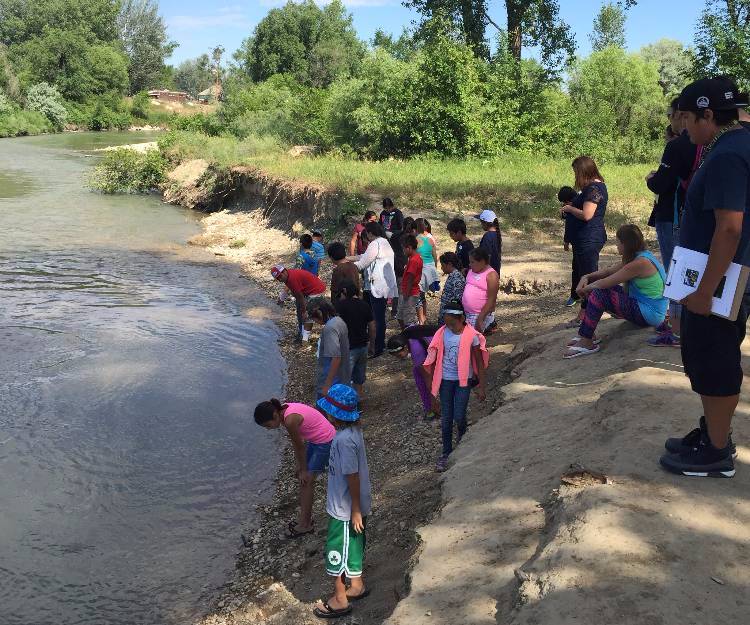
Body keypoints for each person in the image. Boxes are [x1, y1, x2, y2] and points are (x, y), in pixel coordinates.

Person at [660, 77, 750, 479]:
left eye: (688, 118)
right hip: (720, 278)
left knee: (714, 360)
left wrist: (703, 290)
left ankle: (716, 452)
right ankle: (714, 434)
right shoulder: (735, 144)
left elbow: (729, 228)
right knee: (710, 357)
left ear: (708, 115)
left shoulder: (728, 155)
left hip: (718, 283)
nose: (684, 127)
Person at [647, 101, 705, 347]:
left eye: (670, 115)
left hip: (673, 216)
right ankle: (688, 325)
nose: (669, 120)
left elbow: (661, 184)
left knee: (676, 271)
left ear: (682, 116)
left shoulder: (679, 145)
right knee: (691, 269)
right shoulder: (709, 144)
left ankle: (678, 330)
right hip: (696, 216)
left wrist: (651, 178)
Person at [563, 224, 668, 359]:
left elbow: (606, 282)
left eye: (618, 242)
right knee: (595, 287)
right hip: (642, 305)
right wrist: (586, 277)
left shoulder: (640, 263)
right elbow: (608, 271)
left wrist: (585, 289)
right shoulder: (637, 256)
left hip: (650, 314)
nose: (617, 246)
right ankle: (587, 334)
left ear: (626, 244)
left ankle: (587, 342)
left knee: (599, 293)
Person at [313, 384, 371, 620]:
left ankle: (339, 598)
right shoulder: (353, 433)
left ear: (334, 414)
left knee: (337, 549)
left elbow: (352, 475)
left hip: (345, 508)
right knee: (355, 545)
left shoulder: (344, 441)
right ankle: (357, 585)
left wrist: (354, 509)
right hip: (354, 505)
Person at [254, 399, 335, 538]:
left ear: (275, 415)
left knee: (308, 481)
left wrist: (303, 470)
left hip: (325, 440)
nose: (268, 429)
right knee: (303, 481)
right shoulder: (284, 409)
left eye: (268, 425)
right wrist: (299, 465)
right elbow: (297, 444)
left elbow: (300, 446)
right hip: (316, 440)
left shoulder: (290, 420)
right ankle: (305, 519)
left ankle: (305, 526)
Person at [423, 300, 488, 472]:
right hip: (445, 380)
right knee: (446, 419)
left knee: (459, 416)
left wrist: (481, 386)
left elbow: (479, 362)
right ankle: (446, 453)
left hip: (463, 381)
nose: (448, 326)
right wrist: (431, 390)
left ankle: (462, 439)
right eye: (446, 323)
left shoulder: (471, 335)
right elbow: (433, 357)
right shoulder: (442, 333)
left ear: (460, 319)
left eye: (451, 323)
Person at [561, 156, 608, 323]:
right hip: (585, 238)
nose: (575, 176)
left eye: (576, 172)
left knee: (588, 276)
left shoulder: (594, 189)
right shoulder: (592, 187)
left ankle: (589, 314)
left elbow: (587, 215)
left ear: (583, 171)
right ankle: (585, 313)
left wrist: (570, 208)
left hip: (590, 238)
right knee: (584, 274)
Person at [350, 222, 398, 358]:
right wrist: (347, 259)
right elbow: (364, 256)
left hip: (377, 285)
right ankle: (378, 345)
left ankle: (377, 347)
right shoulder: (384, 242)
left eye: (367, 234)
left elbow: (362, 263)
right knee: (379, 316)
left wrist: (346, 267)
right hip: (384, 284)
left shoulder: (375, 243)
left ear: (370, 233)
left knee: (376, 318)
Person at [387, 325, 441, 421]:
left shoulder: (416, 350)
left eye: (399, 355)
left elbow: (428, 380)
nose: (399, 358)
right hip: (431, 350)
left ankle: (433, 408)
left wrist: (434, 401)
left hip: (443, 350)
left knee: (422, 379)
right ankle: (429, 408)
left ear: (405, 347)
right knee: (417, 375)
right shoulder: (405, 336)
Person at [334, 281, 375, 397]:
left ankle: (347, 407)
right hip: (363, 346)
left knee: (345, 379)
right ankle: (357, 402)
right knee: (359, 379)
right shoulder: (364, 305)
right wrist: (372, 345)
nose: (340, 297)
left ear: (345, 292)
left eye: (340, 294)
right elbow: (372, 327)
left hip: (348, 348)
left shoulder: (340, 306)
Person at [308, 299, 352, 398]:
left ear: (319, 313)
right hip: (342, 379)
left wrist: (327, 386)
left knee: (323, 412)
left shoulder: (330, 328)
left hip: (331, 384)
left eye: (313, 317)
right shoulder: (339, 321)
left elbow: (336, 358)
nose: (314, 321)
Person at [271, 265, 327, 342]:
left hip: (316, 290)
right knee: (300, 310)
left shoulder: (292, 279)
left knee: (307, 314)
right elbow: (290, 291)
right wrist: (281, 299)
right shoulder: (288, 275)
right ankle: (301, 331)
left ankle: (304, 339)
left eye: (280, 276)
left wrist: (304, 311)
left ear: (284, 271)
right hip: (308, 290)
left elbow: (300, 298)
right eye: (277, 278)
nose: (280, 279)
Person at [462, 248, 499, 334]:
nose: (469, 264)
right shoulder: (472, 271)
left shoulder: (491, 275)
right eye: (469, 261)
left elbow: (491, 300)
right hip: (467, 313)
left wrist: (481, 318)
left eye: (472, 262)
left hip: (480, 314)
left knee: (475, 340)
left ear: (482, 261)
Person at [415, 218, 440, 324]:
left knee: (418, 296)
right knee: (422, 295)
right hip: (430, 268)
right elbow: (434, 255)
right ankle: (424, 316)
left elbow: (414, 256)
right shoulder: (430, 238)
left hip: (422, 269)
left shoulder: (416, 239)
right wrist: (434, 267)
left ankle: (421, 320)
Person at [558, 186, 580, 307]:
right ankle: (575, 295)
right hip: (576, 242)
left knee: (584, 269)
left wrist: (566, 241)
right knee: (576, 268)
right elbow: (568, 222)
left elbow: (570, 225)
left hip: (584, 241)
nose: (564, 205)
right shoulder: (571, 207)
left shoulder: (580, 203)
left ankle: (583, 296)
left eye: (565, 202)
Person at [396, 234, 423, 329]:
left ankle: (412, 338)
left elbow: (411, 278)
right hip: (406, 292)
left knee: (409, 319)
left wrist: (406, 294)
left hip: (410, 293)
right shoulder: (413, 258)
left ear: (409, 248)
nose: (403, 251)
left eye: (404, 248)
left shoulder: (414, 260)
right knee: (400, 316)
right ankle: (406, 335)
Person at [438, 252, 466, 325]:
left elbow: (457, 300)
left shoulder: (457, 278)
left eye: (443, 265)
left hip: (451, 315)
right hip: (446, 312)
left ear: (449, 264)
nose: (441, 268)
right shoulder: (452, 275)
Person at [474, 209, 502, 274]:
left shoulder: (488, 236)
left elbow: (486, 256)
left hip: (487, 273)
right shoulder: (496, 234)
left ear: (485, 223)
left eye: (481, 222)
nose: (481, 224)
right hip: (494, 271)